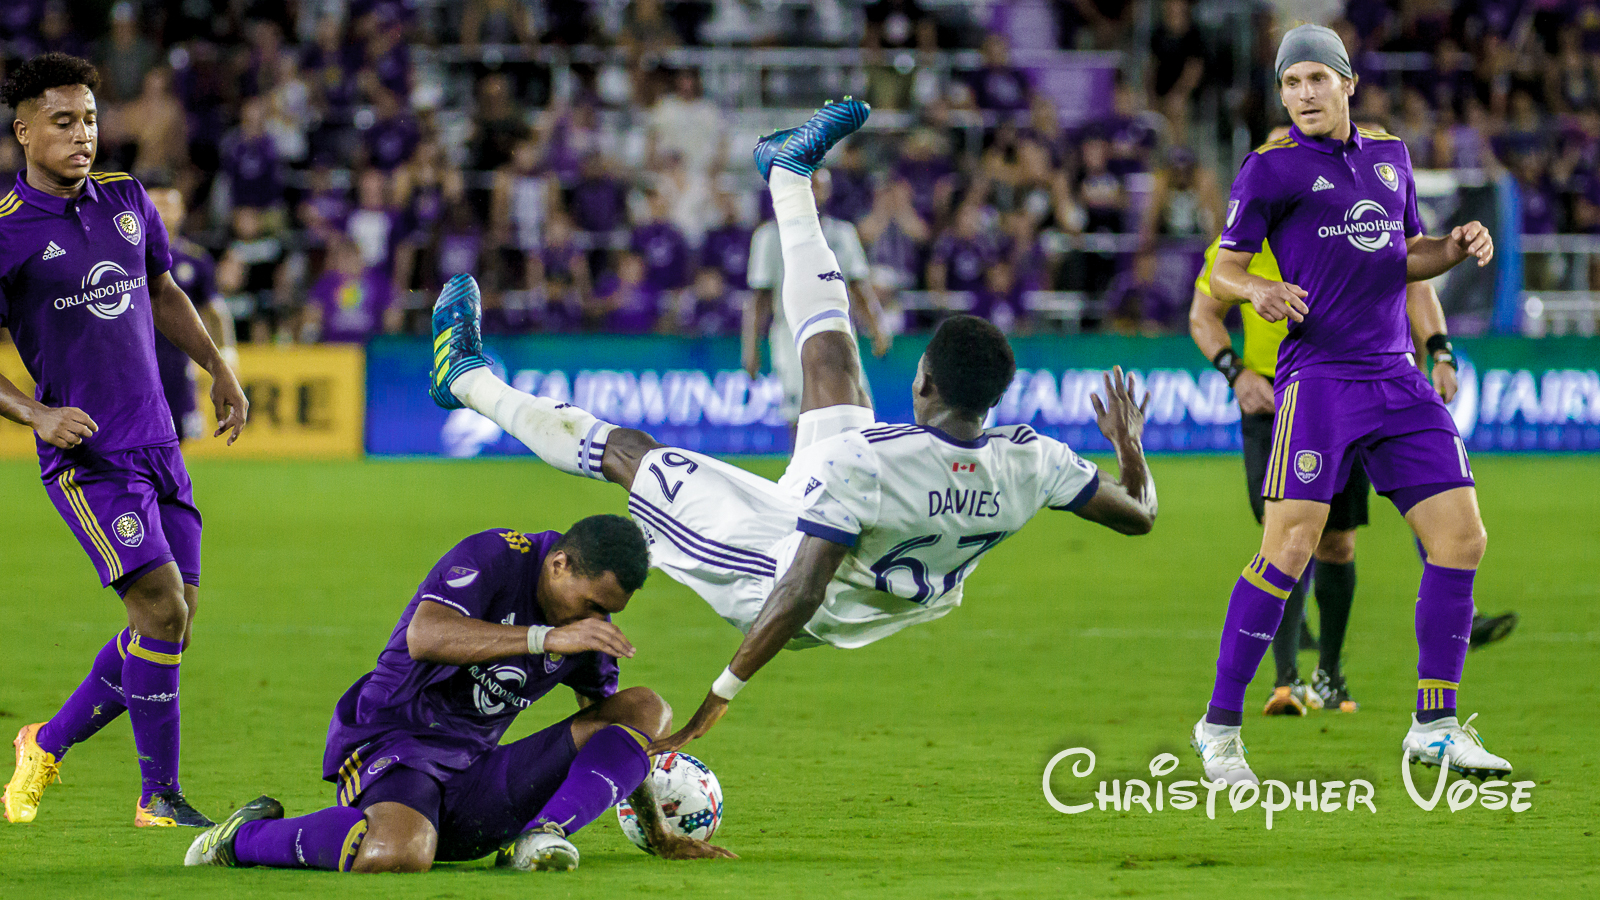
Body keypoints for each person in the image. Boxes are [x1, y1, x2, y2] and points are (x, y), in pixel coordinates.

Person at [428, 100, 1158, 757]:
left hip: (783, 574)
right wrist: (1130, 452)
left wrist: (718, 697)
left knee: (631, 454)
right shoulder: (1036, 461)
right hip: (869, 534)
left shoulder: (873, 464)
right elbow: (1140, 517)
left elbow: (801, 589)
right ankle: (787, 172)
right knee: (832, 352)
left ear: (923, 382)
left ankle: (464, 378)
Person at [1188, 26, 1509, 785]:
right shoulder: (1268, 171)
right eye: (1290, 82)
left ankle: (1434, 726)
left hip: (1395, 377)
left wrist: (1455, 247)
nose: (1302, 94)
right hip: (1319, 381)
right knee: (1288, 550)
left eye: (1314, 80)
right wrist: (1258, 288)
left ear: (1347, 82)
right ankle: (1220, 728)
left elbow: (1406, 258)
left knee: (1462, 539)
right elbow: (1224, 274)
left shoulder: (1390, 158)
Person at [184, 516, 733, 873]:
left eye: (609, 611)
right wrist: (547, 637)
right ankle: (241, 838)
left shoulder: (587, 632)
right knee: (397, 854)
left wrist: (658, 829)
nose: (598, 620)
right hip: (392, 742)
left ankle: (542, 836)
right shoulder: (496, 556)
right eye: (591, 604)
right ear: (560, 564)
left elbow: (612, 732)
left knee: (646, 707)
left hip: (474, 773)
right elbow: (425, 637)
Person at [0, 53, 248, 827]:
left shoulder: (126, 199)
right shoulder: (6, 233)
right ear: (25, 130)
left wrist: (218, 367)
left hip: (160, 440)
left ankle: (44, 741)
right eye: (65, 121)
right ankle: (158, 797)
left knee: (172, 617)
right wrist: (37, 415)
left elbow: (163, 290)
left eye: (92, 120)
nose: (84, 135)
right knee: (162, 611)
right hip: (90, 456)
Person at [745, 168, 891, 436]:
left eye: (820, 186)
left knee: (855, 406)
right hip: (792, 335)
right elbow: (758, 300)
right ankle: (801, 473)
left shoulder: (844, 233)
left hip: (840, 331)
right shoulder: (768, 236)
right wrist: (750, 348)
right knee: (799, 413)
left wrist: (877, 327)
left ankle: (850, 471)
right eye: (809, 187)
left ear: (828, 191)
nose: (815, 193)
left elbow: (859, 287)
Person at [147, 185, 237, 442]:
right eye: (157, 205)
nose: (163, 212)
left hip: (177, 359)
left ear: (181, 211)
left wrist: (227, 351)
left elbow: (214, 310)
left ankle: (168, 482)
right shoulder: (127, 255)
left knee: (179, 435)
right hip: (136, 356)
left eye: (169, 206)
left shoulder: (195, 260)